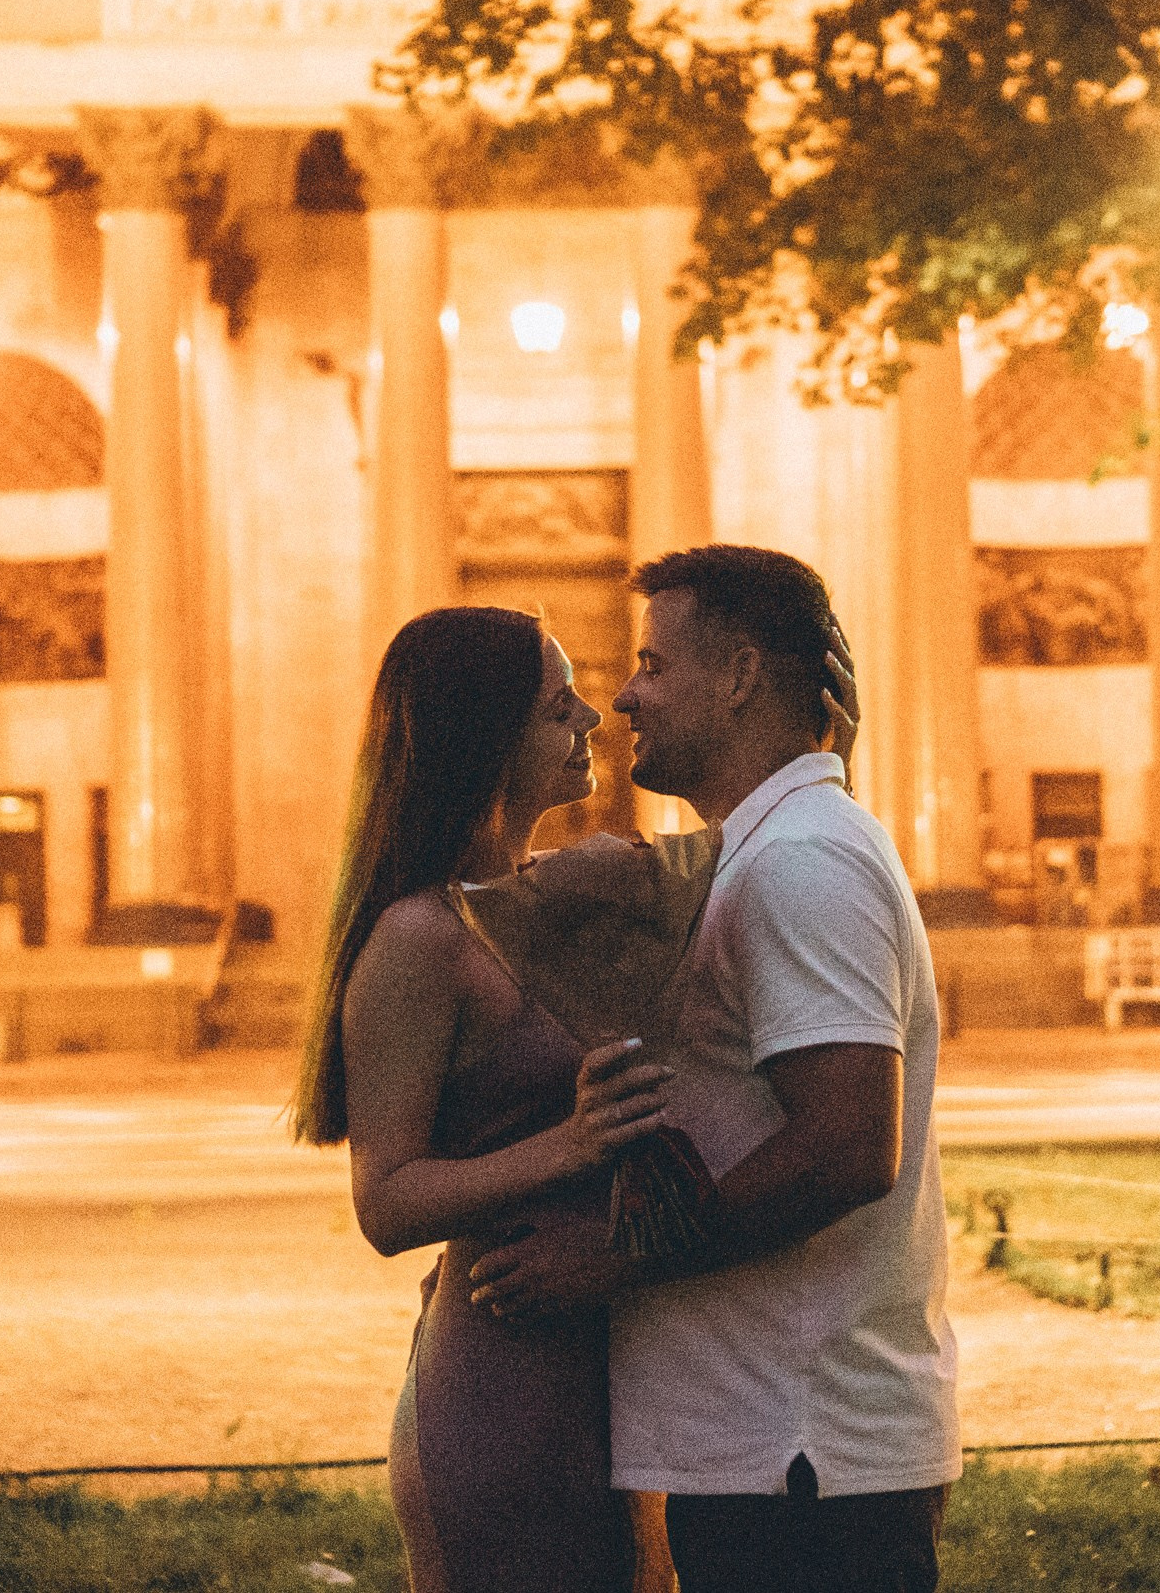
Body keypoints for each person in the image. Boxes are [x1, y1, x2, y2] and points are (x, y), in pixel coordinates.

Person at [468, 546, 962, 1593]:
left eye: (651, 663)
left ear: (739, 675)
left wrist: (614, 1261)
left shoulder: (801, 859)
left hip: (801, 1452)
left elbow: (843, 1150)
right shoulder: (773, 846)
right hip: (768, 1447)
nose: (622, 694)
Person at [289, 605, 678, 1593]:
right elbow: (385, 1203)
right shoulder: (418, 941)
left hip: (605, 1365)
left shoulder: (543, 898)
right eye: (557, 709)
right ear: (486, 738)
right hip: (504, 1387)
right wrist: (572, 1144)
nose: (593, 718)